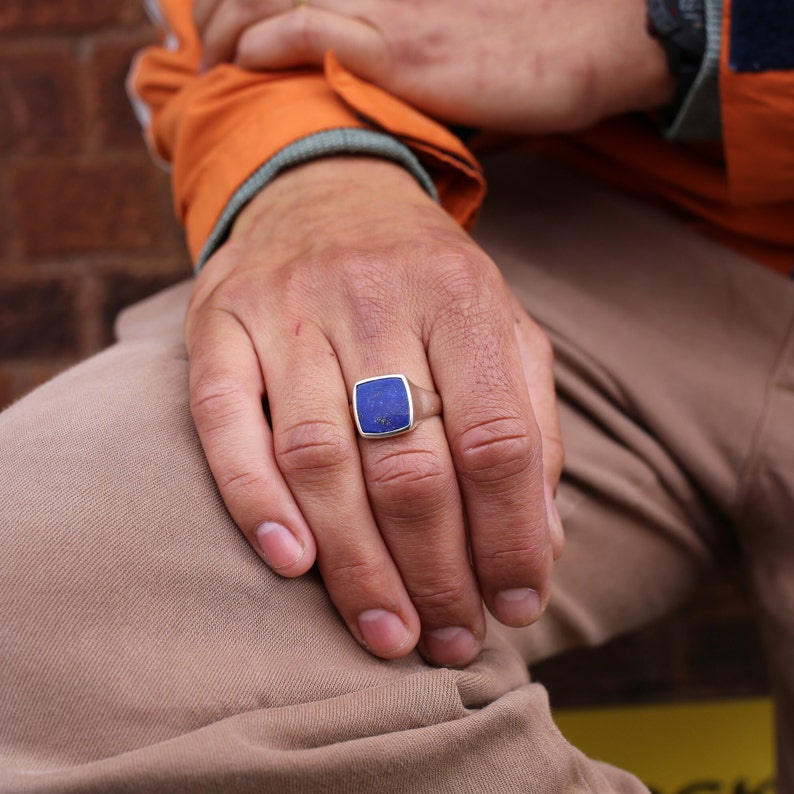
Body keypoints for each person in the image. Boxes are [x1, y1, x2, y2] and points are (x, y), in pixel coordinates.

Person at [1, 0, 792, 791]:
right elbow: (251, 22)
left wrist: (688, 31)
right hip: (575, 219)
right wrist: (322, 168)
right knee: (36, 573)